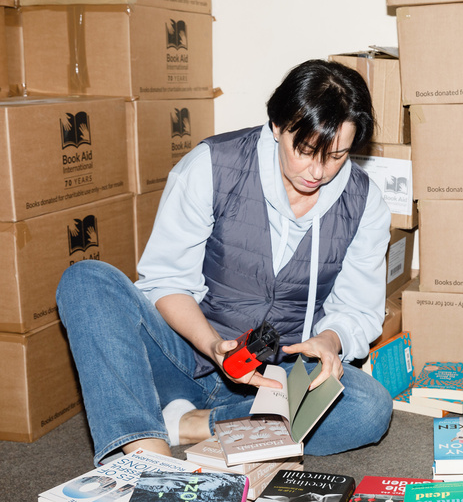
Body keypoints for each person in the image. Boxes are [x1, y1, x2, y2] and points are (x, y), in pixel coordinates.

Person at [56, 59, 394, 466]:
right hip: (184, 358)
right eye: (305, 151)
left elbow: (358, 309)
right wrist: (214, 346)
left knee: (369, 407)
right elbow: (167, 281)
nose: (318, 171)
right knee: (86, 279)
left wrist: (330, 340)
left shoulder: (364, 202)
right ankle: (149, 460)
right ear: (277, 125)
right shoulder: (211, 165)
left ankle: (195, 424)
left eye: (336, 155)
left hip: (277, 380)